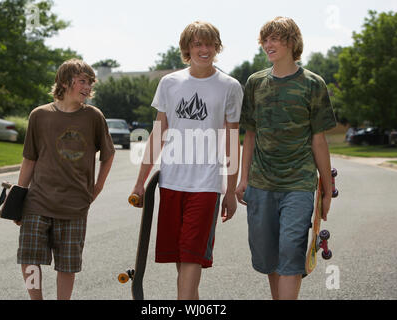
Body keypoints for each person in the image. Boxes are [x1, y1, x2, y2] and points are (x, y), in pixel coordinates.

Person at [131, 21, 243, 300]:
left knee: (192, 257)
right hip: (171, 182)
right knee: (181, 259)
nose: (204, 50)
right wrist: (139, 183)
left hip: (205, 186)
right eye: (197, 44)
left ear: (217, 48)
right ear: (187, 48)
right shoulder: (170, 83)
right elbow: (157, 135)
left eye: (209, 44)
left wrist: (230, 190)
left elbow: (231, 141)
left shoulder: (230, 87)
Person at [235, 17, 337, 300]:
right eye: (265, 40)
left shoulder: (313, 84)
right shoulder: (255, 83)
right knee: (269, 257)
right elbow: (250, 135)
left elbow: (319, 140)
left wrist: (326, 189)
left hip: (299, 184)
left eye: (275, 39)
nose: (268, 45)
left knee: (291, 252)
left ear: (292, 42)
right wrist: (243, 178)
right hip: (261, 184)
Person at [15, 59, 115, 300]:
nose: (88, 87)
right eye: (82, 81)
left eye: (90, 83)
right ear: (64, 81)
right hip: (37, 202)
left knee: (67, 265)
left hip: (75, 205)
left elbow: (108, 155)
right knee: (29, 259)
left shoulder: (93, 116)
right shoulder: (39, 116)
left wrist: (97, 188)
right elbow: (30, 159)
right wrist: (18, 198)